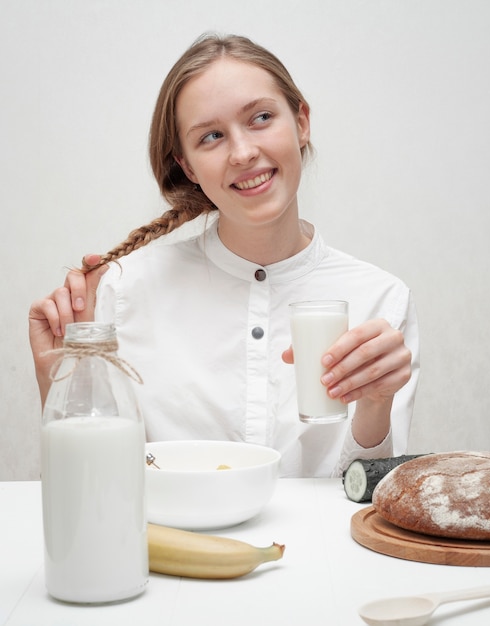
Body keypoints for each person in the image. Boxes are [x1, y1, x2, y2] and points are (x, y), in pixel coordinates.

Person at [28, 33, 420, 477]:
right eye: (211, 136)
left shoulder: (382, 299)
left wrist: (375, 402)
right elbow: (95, 488)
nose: (243, 152)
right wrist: (57, 384)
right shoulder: (123, 292)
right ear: (188, 166)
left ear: (302, 122)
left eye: (261, 117)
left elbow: (371, 501)